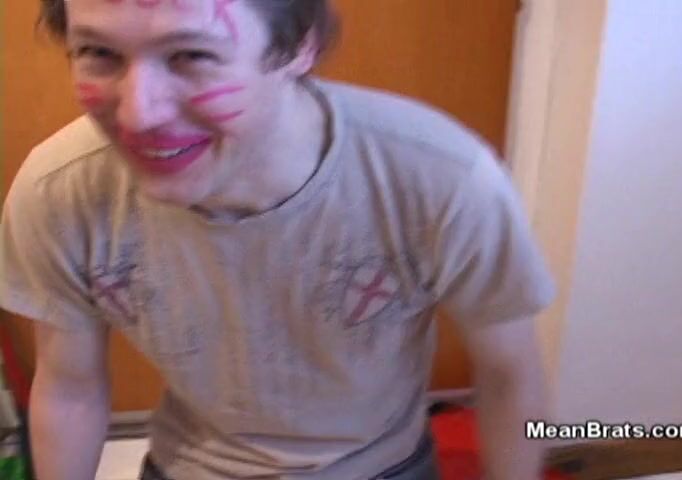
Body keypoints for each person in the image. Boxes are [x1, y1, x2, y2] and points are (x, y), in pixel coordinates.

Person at [0, 0, 556, 479]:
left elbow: (508, 375)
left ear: (299, 46)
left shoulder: (441, 176)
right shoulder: (61, 189)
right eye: (99, 53)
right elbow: (70, 386)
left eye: (191, 56)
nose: (138, 114)